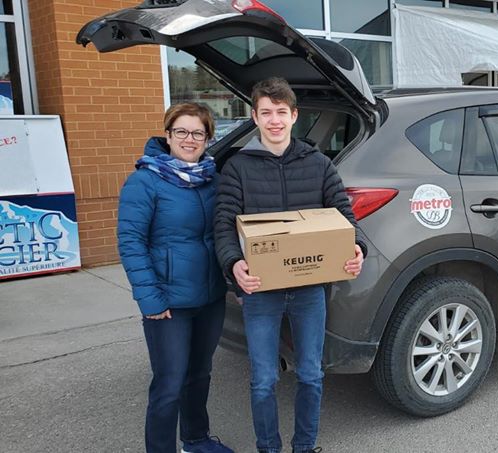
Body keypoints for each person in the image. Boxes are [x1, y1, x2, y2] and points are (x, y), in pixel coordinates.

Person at [214, 77, 365, 453]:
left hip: (308, 289)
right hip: (261, 289)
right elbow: (223, 224)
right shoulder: (238, 168)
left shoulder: (318, 164)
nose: (274, 120)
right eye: (266, 113)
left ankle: (304, 446)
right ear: (255, 117)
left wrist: (356, 246)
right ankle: (268, 448)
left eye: (281, 112)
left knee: (311, 374)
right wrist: (234, 264)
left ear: (294, 116)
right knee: (263, 380)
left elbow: (344, 215)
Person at [117, 103, 233, 453]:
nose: (189, 139)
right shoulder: (145, 180)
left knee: (199, 375)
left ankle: (196, 439)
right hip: (168, 303)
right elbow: (131, 242)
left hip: (210, 297)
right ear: (167, 135)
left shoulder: (214, 179)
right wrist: (150, 299)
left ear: (208, 138)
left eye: (198, 133)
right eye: (181, 131)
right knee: (169, 383)